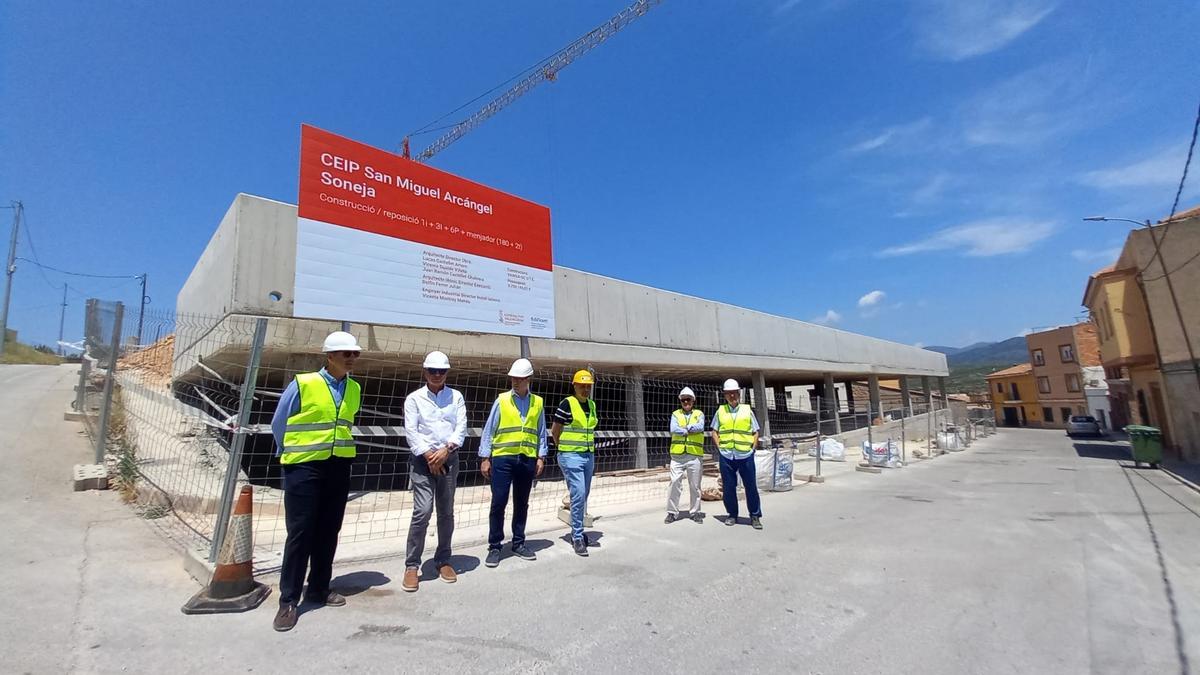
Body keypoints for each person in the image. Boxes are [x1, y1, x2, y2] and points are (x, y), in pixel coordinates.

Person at [269, 331, 362, 632]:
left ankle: (319, 587)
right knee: (300, 532)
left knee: (328, 529)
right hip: (304, 467)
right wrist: (288, 453)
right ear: (329, 356)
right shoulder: (304, 383)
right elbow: (279, 422)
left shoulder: (354, 389)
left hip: (338, 466)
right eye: (345, 353)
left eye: (354, 353)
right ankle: (288, 600)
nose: (351, 358)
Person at [401, 350, 466, 592]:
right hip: (423, 461)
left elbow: (460, 427)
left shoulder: (456, 397)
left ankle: (443, 559)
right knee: (423, 510)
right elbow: (412, 431)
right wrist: (430, 455)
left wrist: (446, 451)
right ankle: (411, 565)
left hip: (448, 458)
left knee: (446, 511)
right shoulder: (414, 399)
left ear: (447, 373)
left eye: (442, 371)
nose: (437, 375)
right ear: (424, 372)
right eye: (432, 371)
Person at [478, 358, 547, 568]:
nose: (515, 382)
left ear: (528, 379)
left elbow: (541, 431)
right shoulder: (502, 400)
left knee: (521, 503)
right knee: (499, 502)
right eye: (513, 379)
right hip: (502, 459)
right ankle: (495, 546)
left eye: (519, 379)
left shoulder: (538, 403)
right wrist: (485, 457)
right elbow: (490, 430)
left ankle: (518, 542)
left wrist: (541, 456)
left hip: (526, 459)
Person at [550, 369, 598, 557]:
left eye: (588, 386)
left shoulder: (592, 405)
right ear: (575, 386)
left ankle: (577, 530)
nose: (585, 389)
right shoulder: (567, 404)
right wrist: (562, 448)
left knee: (583, 494)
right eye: (582, 386)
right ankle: (577, 536)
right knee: (578, 493)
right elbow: (555, 430)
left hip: (588, 456)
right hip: (570, 456)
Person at [711, 378, 763, 530]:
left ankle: (755, 516)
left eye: (734, 393)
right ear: (725, 395)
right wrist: (720, 447)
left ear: (739, 393)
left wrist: (752, 449)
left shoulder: (747, 410)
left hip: (745, 455)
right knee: (728, 487)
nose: (732, 396)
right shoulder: (720, 411)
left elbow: (755, 431)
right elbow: (714, 431)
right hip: (727, 455)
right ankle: (732, 514)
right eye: (728, 394)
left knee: (751, 486)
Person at [665, 387, 705, 524]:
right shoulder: (675, 414)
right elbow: (673, 429)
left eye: (688, 399)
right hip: (677, 455)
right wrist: (689, 429)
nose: (686, 402)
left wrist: (685, 429)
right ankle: (672, 512)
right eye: (683, 400)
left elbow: (700, 427)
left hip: (694, 455)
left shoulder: (699, 414)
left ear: (693, 400)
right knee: (674, 483)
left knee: (695, 485)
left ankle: (695, 512)